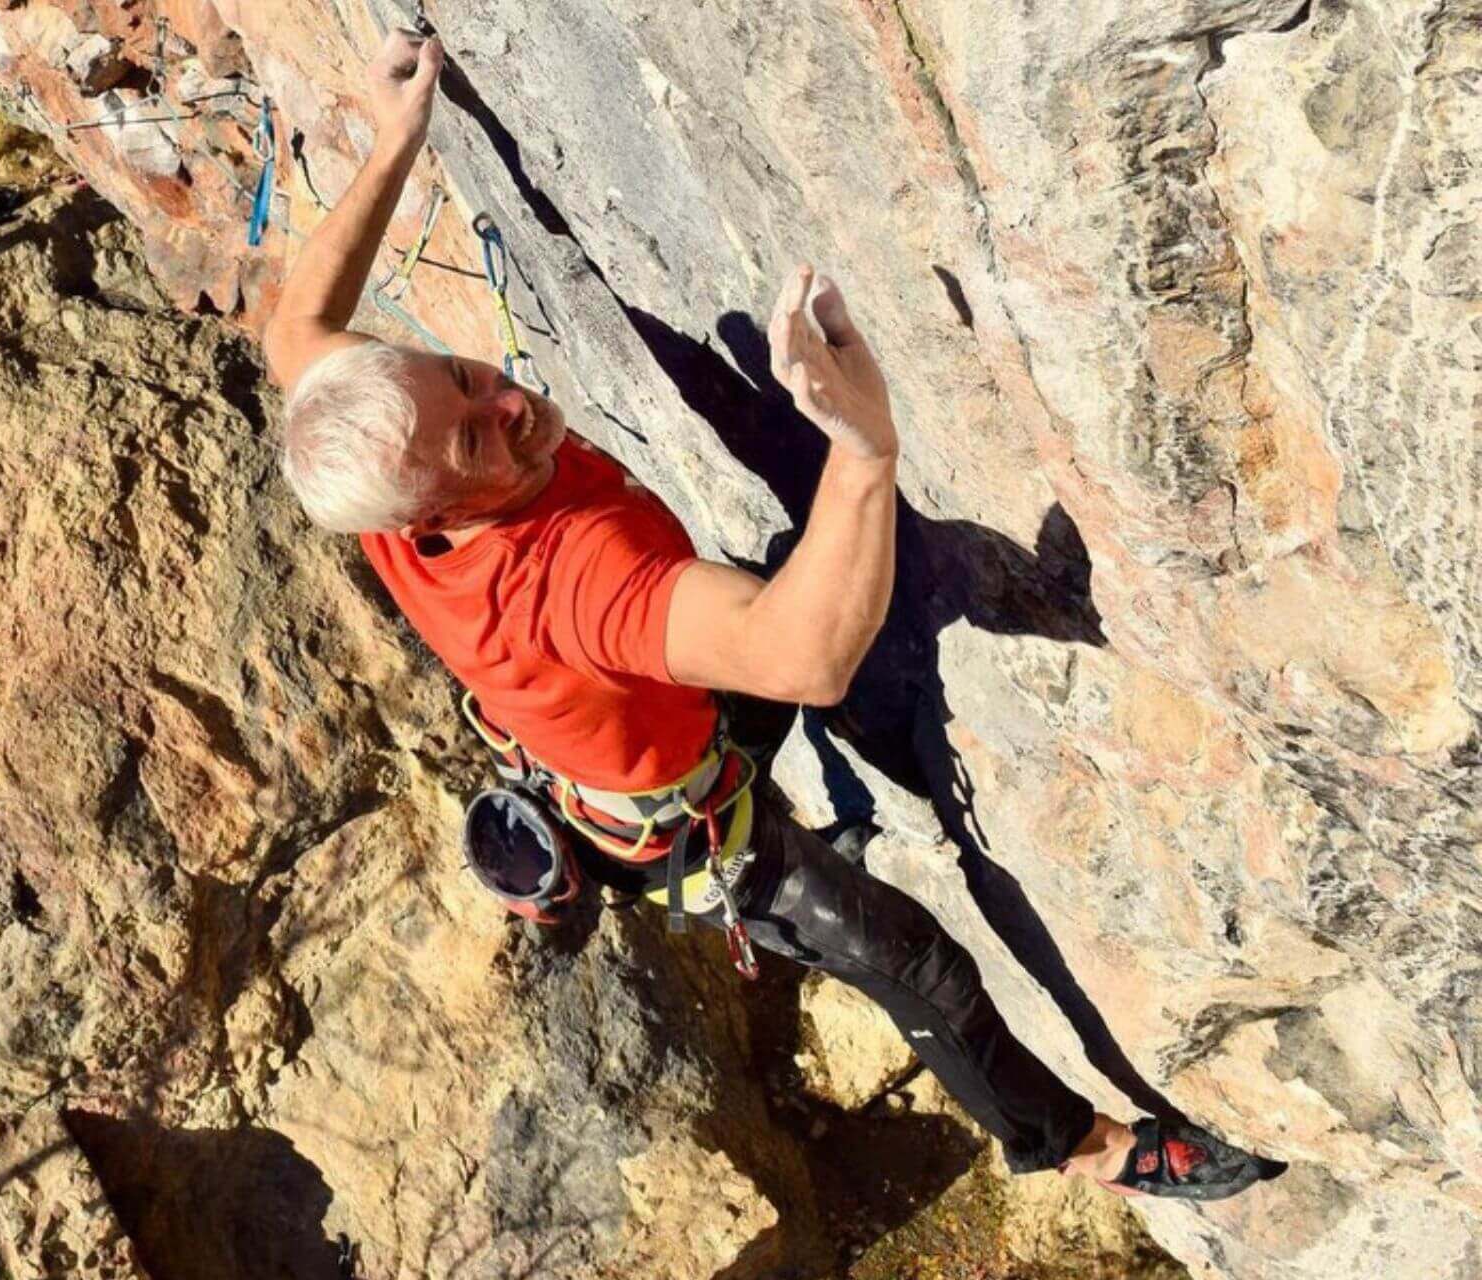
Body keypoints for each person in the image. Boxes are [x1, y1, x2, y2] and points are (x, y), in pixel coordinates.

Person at [262, 28, 1284, 1201]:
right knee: (921, 966)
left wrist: (398, 134)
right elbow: (807, 657)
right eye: (479, 436)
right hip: (690, 819)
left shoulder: (381, 463)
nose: (508, 396)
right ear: (438, 498)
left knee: (768, 596)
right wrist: (866, 447)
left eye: (460, 370)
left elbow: (299, 331)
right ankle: (1092, 1148)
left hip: (643, 718)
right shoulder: (574, 580)